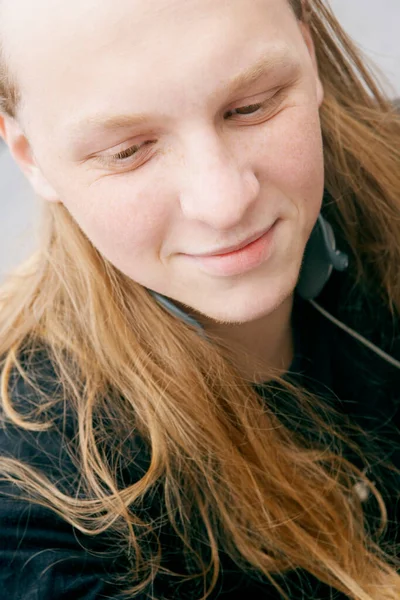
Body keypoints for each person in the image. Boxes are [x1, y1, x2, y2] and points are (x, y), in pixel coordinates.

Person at [0, 0, 399, 598]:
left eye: (253, 106)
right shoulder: (39, 507)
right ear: (32, 160)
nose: (225, 203)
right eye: (127, 151)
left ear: (310, 57)